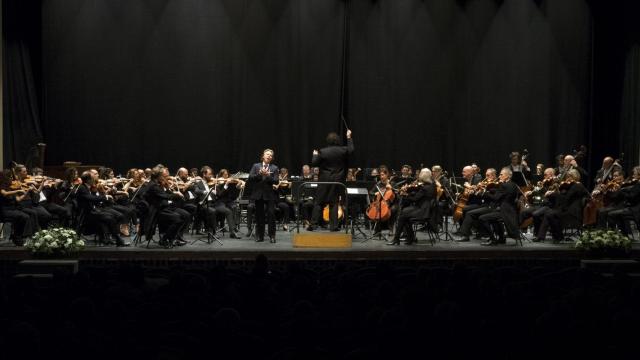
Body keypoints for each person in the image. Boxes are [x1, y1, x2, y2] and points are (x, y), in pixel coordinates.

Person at [307, 129, 354, 232]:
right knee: (334, 203)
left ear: (328, 141)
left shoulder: (323, 151)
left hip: (324, 180)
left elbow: (314, 163)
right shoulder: (342, 150)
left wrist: (314, 155)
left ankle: (313, 225)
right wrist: (349, 137)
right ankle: (334, 226)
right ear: (337, 141)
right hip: (337, 181)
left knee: (318, 202)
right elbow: (351, 150)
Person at [387, 168, 436, 246]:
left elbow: (414, 199)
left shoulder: (425, 188)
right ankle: (410, 238)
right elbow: (419, 195)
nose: (419, 176)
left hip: (423, 211)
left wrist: (405, 194)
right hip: (426, 209)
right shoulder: (432, 185)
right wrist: (411, 191)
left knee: (403, 214)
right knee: (405, 216)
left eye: (420, 175)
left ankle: (397, 239)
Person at [248, 149, 279, 242]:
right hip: (259, 194)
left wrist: (268, 175)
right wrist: (259, 174)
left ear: (272, 158)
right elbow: (250, 178)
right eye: (267, 154)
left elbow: (276, 181)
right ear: (263, 156)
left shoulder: (274, 168)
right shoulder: (256, 166)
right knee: (259, 216)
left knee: (271, 215)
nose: (269, 156)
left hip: (270, 195)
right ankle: (259, 236)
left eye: (271, 155)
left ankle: (272, 236)